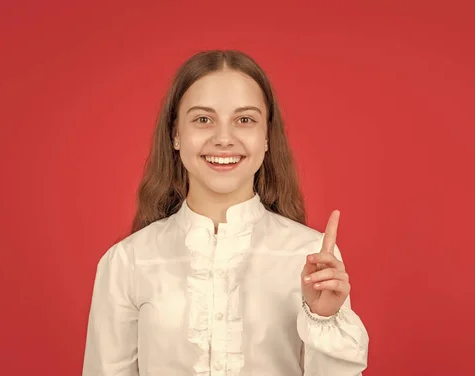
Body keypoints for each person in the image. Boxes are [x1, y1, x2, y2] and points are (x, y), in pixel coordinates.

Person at [82, 49, 369, 375]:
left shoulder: (310, 257)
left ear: (265, 137)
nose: (223, 139)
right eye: (203, 119)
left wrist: (325, 319)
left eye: (244, 120)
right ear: (176, 133)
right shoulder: (127, 262)